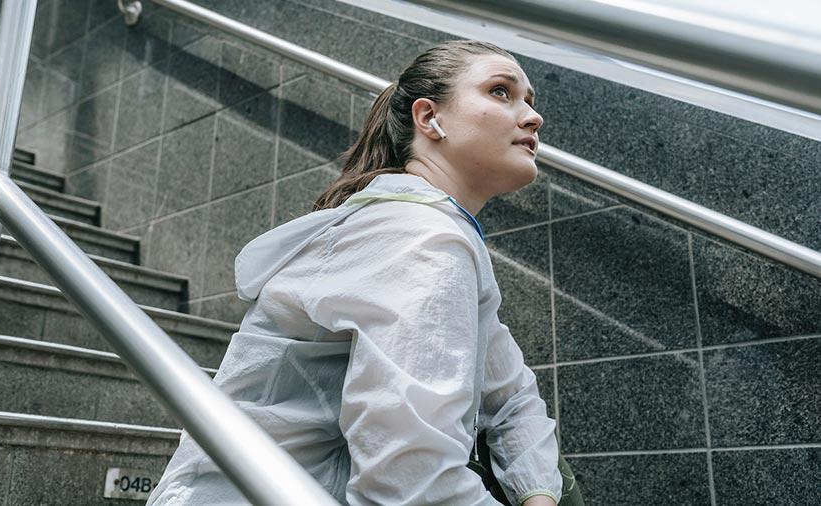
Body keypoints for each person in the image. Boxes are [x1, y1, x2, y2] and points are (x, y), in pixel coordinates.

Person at [146, 39, 583, 505]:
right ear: (429, 118)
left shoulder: (430, 229)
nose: (533, 117)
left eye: (530, 101)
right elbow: (410, 479)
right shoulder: (417, 237)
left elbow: (512, 397)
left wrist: (538, 496)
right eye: (501, 92)